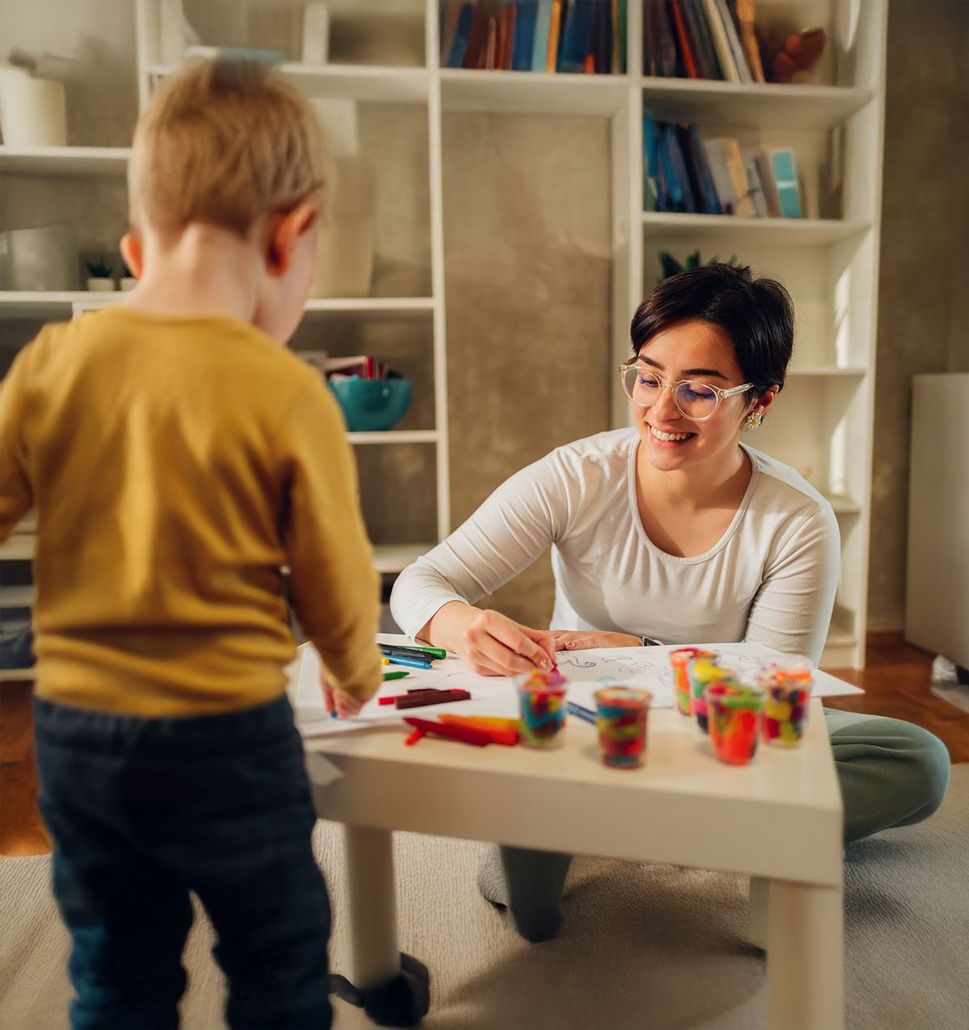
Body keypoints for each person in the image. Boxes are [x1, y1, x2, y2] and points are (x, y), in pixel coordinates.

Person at [390, 262, 950, 943]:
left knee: (917, 761)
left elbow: (772, 693)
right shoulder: (574, 477)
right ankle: (733, 830)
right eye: (647, 377)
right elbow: (420, 582)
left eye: (699, 391)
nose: (660, 410)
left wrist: (640, 651)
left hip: (720, 731)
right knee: (514, 893)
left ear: (760, 400)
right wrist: (460, 622)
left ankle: (621, 818)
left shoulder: (796, 521)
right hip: (582, 726)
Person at [0, 60, 382, 1028]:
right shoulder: (287, 389)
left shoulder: (51, 362)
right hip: (227, 736)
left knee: (118, 968)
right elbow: (332, 572)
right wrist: (354, 667)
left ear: (136, 249)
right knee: (276, 953)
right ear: (291, 234)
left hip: (77, 735)